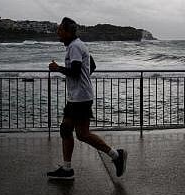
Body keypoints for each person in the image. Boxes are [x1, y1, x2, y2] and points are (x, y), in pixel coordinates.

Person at [47, 17, 127, 180]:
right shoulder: (78, 45)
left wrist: (57, 68)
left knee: (82, 134)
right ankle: (67, 169)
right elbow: (92, 66)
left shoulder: (75, 47)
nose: (58, 34)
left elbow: (75, 72)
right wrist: (83, 81)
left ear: (68, 32)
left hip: (80, 99)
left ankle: (116, 155)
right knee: (66, 130)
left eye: (60, 31)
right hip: (77, 97)